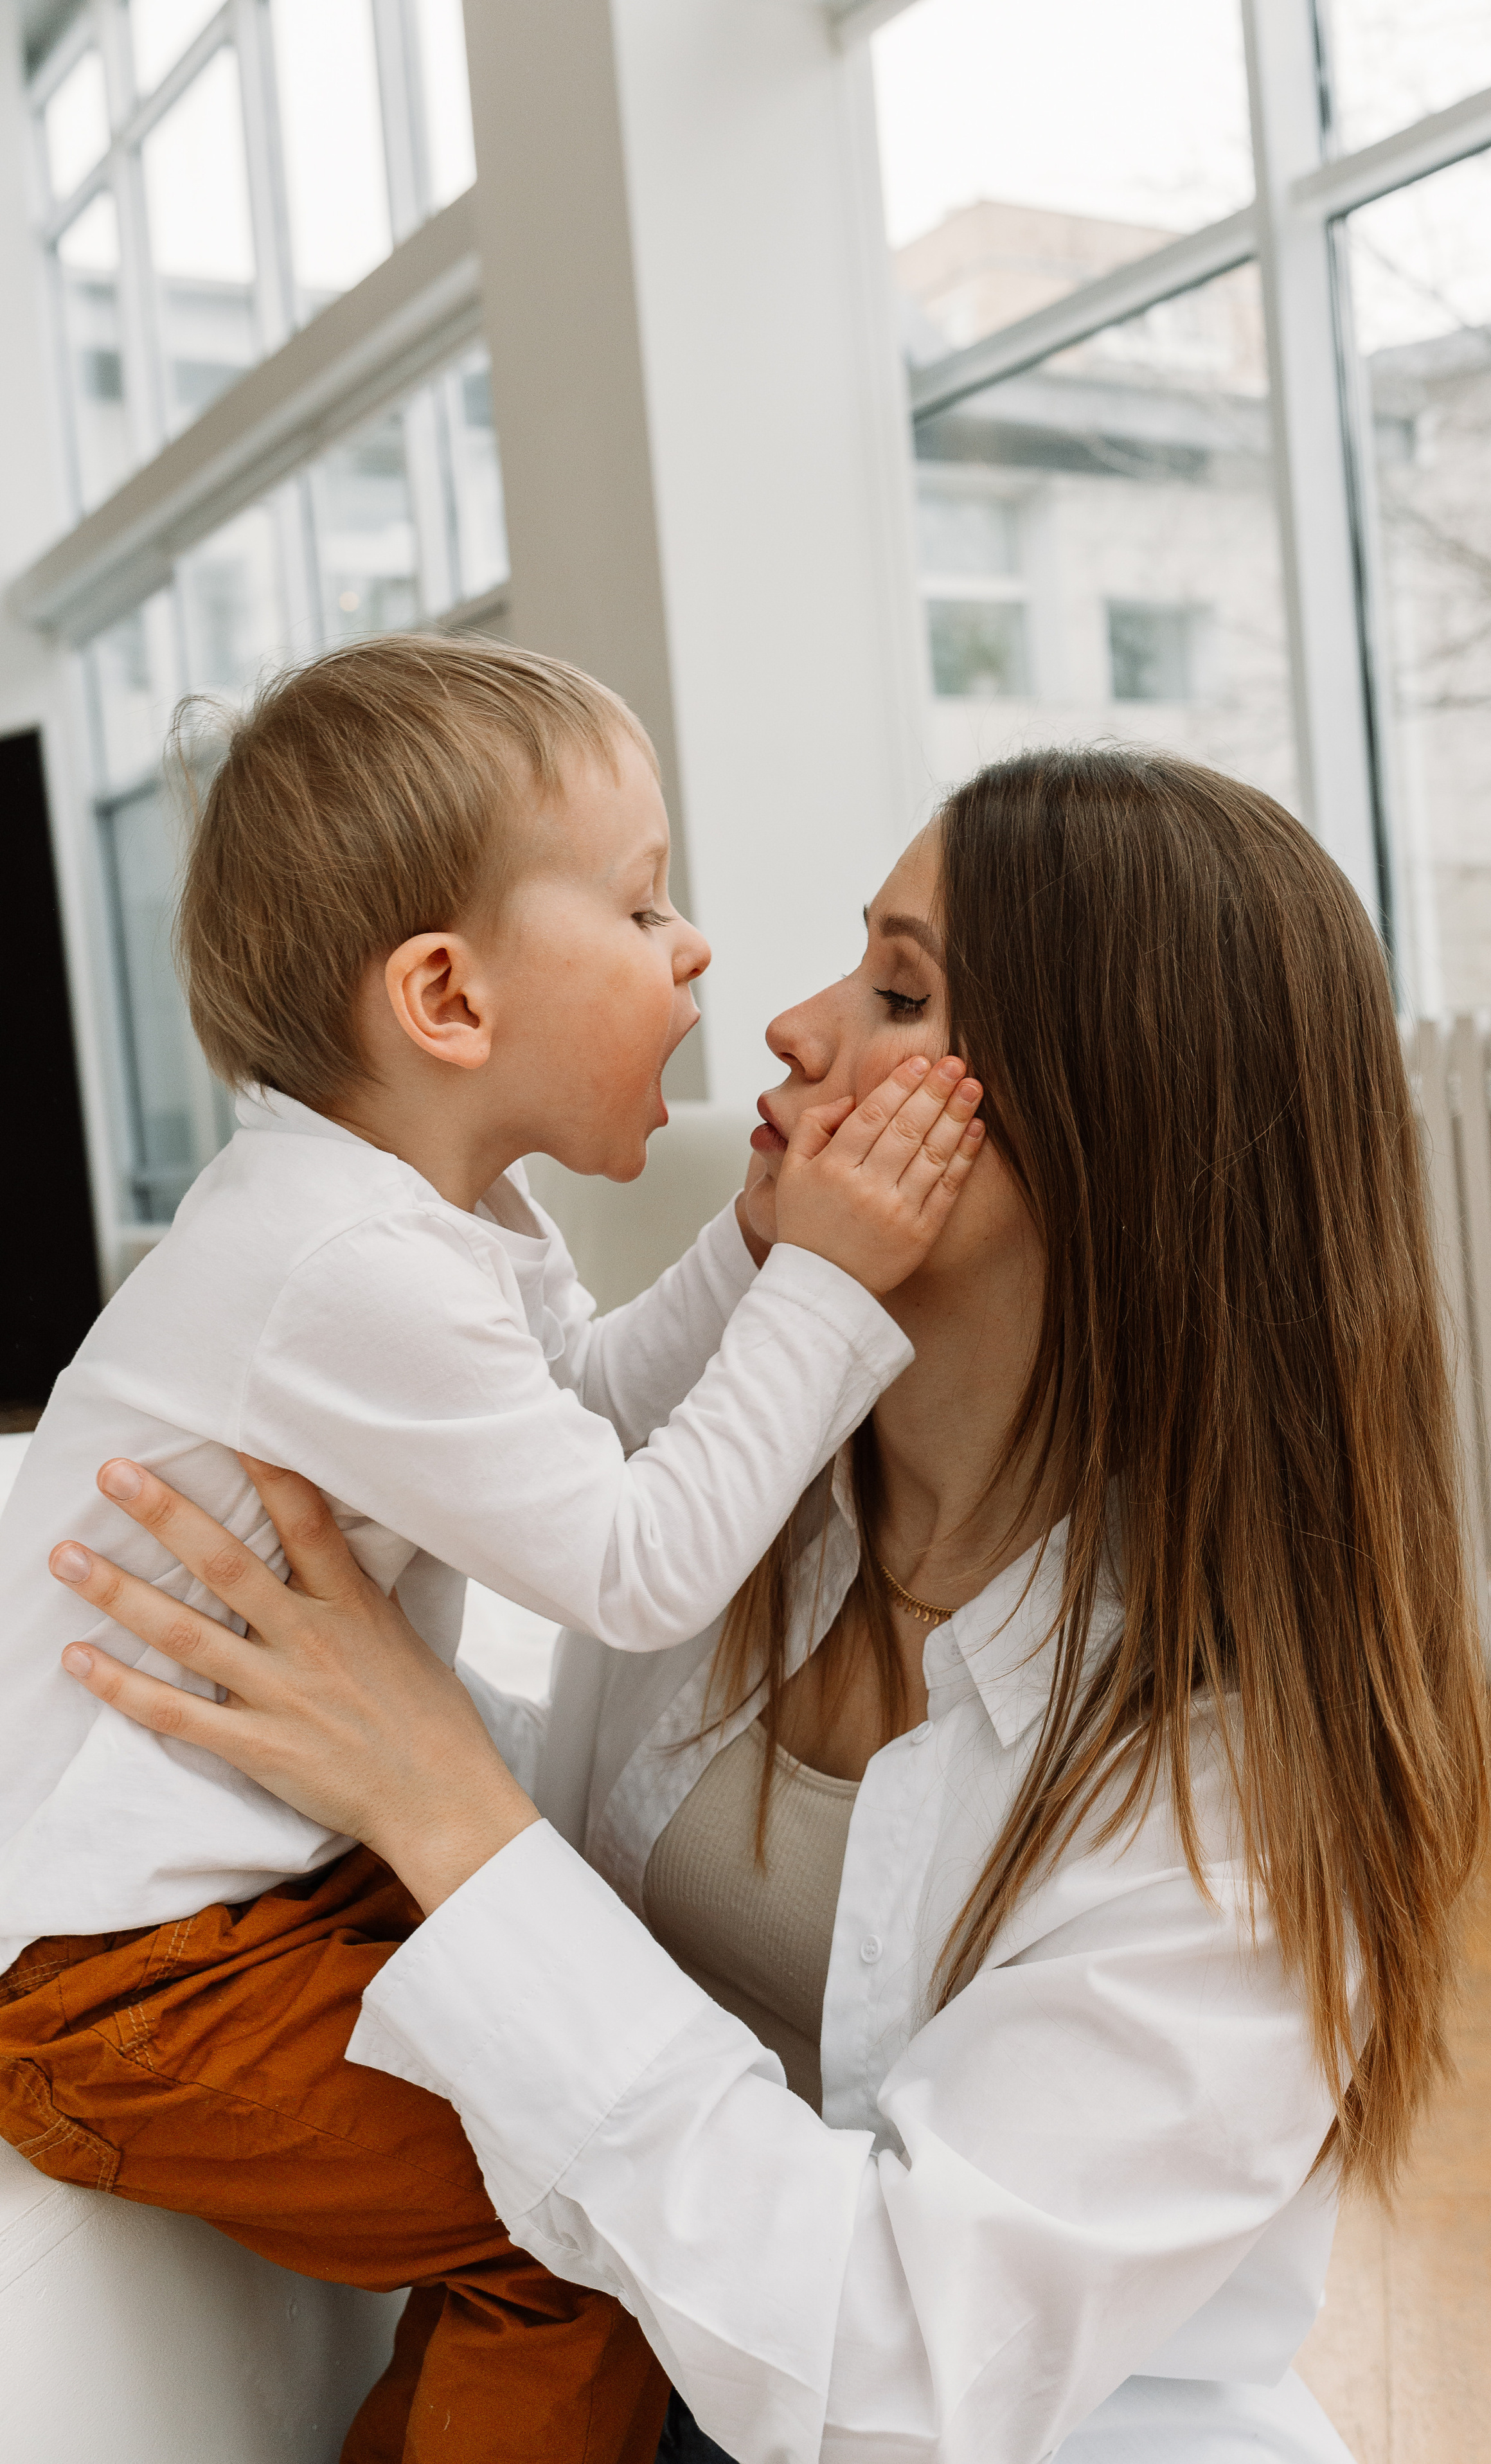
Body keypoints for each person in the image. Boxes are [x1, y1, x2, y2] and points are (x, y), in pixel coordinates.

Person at [48, 744, 1490, 2464]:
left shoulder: (1236, 1806)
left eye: (897, 988)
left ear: (1111, 1132)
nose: (790, 1024)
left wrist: (442, 1799)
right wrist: (301, 1717)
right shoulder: (755, 1514)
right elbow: (586, 1541)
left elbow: (885, 2377)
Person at [0, 632, 985, 2464]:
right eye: (641, 903)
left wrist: (761, 1249)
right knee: (588, 2239)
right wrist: (835, 1286)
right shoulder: (342, 1263)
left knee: (617, 2100)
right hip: (131, 1979)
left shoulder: (438, 1221)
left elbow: (592, 1415)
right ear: (448, 997)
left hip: (258, 1909)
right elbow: (629, 1563)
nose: (699, 951)